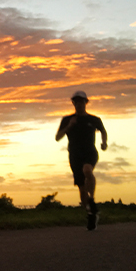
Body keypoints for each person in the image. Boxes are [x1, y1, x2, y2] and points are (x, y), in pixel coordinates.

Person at [56, 90, 107, 231]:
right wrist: (70, 126)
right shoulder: (67, 119)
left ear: (86, 102)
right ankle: (91, 213)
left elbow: (103, 130)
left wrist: (104, 143)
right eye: (76, 101)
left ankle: (92, 199)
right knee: (81, 189)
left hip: (90, 152)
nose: (79, 104)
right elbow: (57, 137)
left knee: (87, 170)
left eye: (81, 101)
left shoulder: (94, 119)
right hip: (74, 155)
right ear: (73, 103)